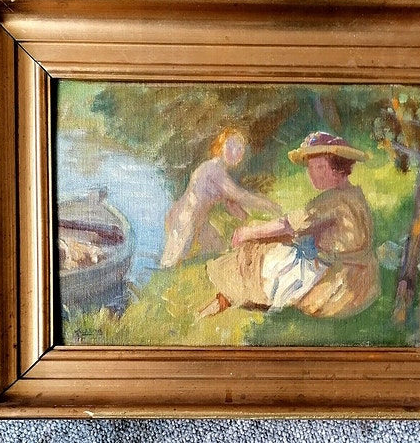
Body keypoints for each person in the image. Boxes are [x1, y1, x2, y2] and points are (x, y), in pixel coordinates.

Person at [200, 131, 380, 318]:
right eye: (310, 167)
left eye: (319, 167)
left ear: (338, 168)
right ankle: (231, 297)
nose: (312, 173)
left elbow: (288, 224)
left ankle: (228, 297)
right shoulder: (352, 194)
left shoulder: (333, 200)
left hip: (342, 279)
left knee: (263, 251)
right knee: (276, 244)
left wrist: (248, 232)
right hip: (361, 274)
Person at [160, 127, 281, 268]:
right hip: (184, 219)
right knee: (170, 264)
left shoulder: (219, 170)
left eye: (239, 148)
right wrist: (270, 205)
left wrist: (248, 220)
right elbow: (241, 196)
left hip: (200, 221)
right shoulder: (214, 169)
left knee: (219, 249)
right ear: (220, 147)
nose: (235, 151)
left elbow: (231, 203)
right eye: (230, 146)